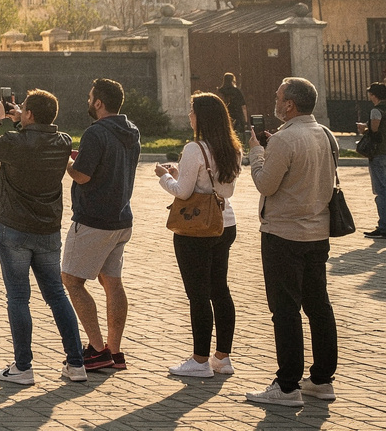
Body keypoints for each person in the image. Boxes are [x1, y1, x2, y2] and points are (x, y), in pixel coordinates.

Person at [0, 88, 86, 385]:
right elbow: (32, 142)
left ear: (31, 114)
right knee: (57, 296)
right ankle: (76, 364)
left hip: (14, 229)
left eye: (23, 108)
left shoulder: (14, 141)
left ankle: (23, 367)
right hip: (48, 230)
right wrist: (19, 119)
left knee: (19, 298)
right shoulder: (63, 142)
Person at [242, 76, 339, 407]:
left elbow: (266, 185)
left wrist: (257, 151)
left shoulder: (284, 140)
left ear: (289, 105)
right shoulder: (323, 133)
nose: (274, 98)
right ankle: (322, 379)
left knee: (285, 310)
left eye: (278, 95)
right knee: (318, 306)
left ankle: (286, 386)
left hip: (283, 234)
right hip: (317, 232)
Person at [155, 91, 241, 379]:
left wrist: (164, 176)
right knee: (221, 290)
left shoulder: (195, 148)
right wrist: (183, 173)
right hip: (225, 222)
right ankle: (223, 357)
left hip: (197, 227)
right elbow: (221, 189)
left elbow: (183, 191)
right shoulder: (232, 148)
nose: (190, 116)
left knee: (198, 295)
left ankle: (199, 360)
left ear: (201, 117)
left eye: (192, 111)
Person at [61, 77, 140, 372]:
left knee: (71, 280)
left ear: (99, 103)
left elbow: (82, 176)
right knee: (112, 282)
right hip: (121, 218)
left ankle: (96, 350)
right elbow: (109, 164)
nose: (88, 100)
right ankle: (115, 351)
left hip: (94, 220)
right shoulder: (131, 130)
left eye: (90, 96)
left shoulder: (96, 132)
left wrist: (66, 163)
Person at [360, 82, 385, 239]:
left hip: (379, 154)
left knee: (381, 191)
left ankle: (383, 227)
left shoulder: (376, 111)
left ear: (374, 95)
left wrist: (365, 128)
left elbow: (375, 132)